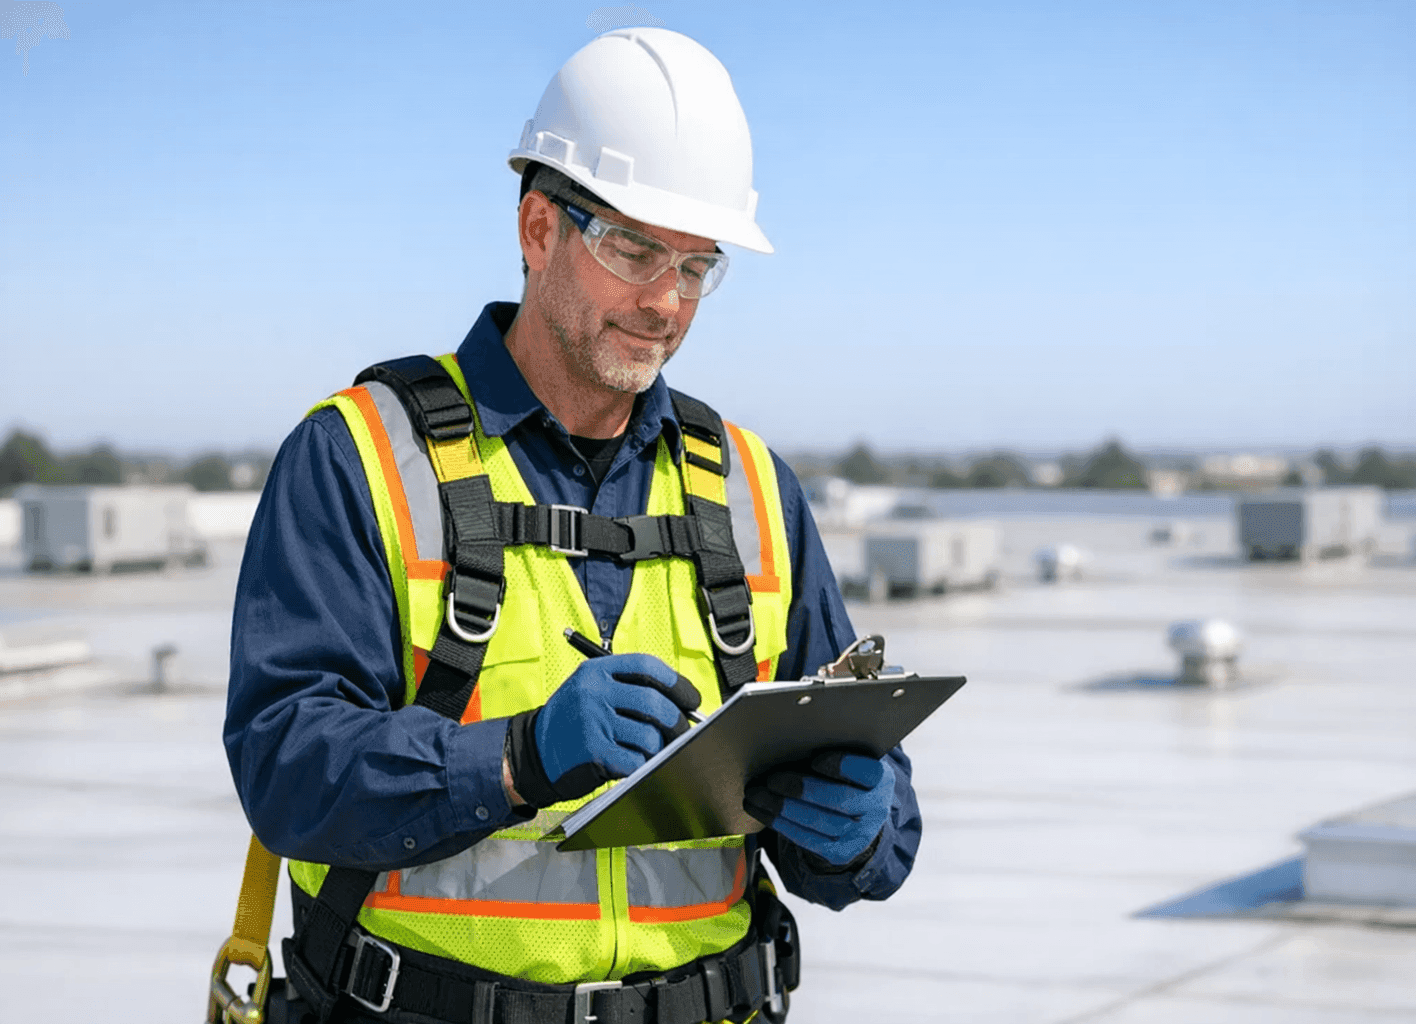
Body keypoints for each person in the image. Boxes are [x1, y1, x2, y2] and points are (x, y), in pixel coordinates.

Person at [223, 27, 920, 1024]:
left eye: (696, 265)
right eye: (634, 249)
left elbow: (868, 812)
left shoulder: (755, 490)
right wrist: (515, 760)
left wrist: (864, 828)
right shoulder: (359, 459)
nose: (665, 302)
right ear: (539, 229)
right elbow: (285, 766)